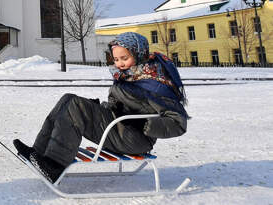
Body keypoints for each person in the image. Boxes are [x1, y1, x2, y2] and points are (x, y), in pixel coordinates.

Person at [13, 32, 188, 183]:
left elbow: (178, 122)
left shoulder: (155, 83)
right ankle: (38, 152)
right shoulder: (128, 76)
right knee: (68, 99)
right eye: (117, 59)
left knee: (75, 106)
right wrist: (99, 108)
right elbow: (118, 107)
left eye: (124, 58)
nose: (119, 64)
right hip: (121, 129)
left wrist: (145, 124)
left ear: (139, 54)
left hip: (136, 139)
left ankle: (55, 166)